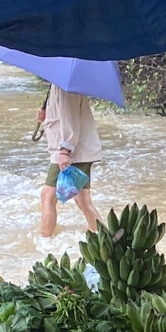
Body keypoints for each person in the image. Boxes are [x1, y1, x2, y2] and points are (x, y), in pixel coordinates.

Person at [37, 84, 101, 238]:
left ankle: (46, 242)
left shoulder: (65, 86)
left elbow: (70, 119)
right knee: (83, 200)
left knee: (48, 196)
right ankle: (105, 239)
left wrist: (65, 151)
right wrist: (45, 114)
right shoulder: (58, 83)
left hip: (72, 152)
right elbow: (60, 116)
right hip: (74, 151)